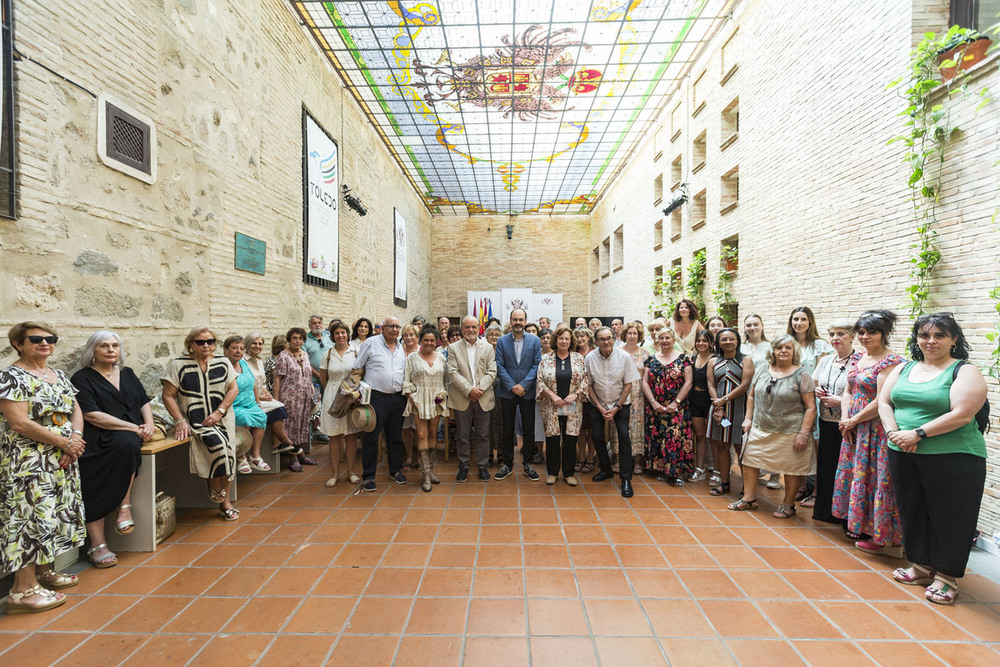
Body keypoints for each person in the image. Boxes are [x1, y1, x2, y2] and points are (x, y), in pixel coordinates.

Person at [879, 313, 988, 605]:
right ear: (916, 339)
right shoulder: (903, 368)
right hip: (903, 451)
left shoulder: (964, 371)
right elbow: (884, 402)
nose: (931, 341)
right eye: (924, 335)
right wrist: (894, 434)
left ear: (954, 339)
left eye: (940, 335)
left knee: (951, 516)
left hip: (954, 457)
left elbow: (962, 413)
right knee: (912, 509)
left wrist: (917, 434)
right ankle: (921, 565)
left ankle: (947, 576)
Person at [0, 323, 86, 614]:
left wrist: (75, 438)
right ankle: (22, 591)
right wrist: (65, 443)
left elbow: (74, 408)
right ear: (18, 344)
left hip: (60, 455)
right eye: (36, 339)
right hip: (28, 460)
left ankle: (44, 573)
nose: (45, 343)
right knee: (27, 518)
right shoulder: (11, 376)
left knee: (52, 513)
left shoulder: (57, 373)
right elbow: (19, 422)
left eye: (51, 339)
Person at [71, 331, 153, 569]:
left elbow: (143, 400)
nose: (110, 350)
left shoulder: (127, 373)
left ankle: (123, 506)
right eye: (103, 346)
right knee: (98, 474)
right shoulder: (82, 378)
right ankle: (99, 543)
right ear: (92, 351)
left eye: (114, 345)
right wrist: (134, 428)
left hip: (129, 436)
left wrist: (148, 424)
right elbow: (91, 415)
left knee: (128, 445)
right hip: (99, 437)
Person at [832, 310, 905, 555]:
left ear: (884, 334)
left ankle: (882, 536)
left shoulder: (892, 362)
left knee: (877, 480)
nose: (865, 337)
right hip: (853, 428)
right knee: (857, 475)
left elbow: (882, 400)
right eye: (861, 332)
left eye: (871, 332)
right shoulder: (857, 359)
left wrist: (853, 420)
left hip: (876, 431)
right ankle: (862, 526)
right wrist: (844, 420)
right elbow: (848, 392)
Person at [730, 335, 816, 518]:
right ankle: (749, 498)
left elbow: (810, 407)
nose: (783, 351)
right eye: (779, 348)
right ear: (773, 351)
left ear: (794, 352)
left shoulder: (802, 375)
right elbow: (751, 396)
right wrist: (748, 418)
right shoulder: (762, 370)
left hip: (790, 430)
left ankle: (788, 504)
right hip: (760, 427)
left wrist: (803, 433)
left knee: (792, 467)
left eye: (788, 348)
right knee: (750, 461)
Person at [162, 326, 240, 521]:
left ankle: (226, 501)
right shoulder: (178, 365)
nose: (206, 345)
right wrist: (179, 421)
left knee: (229, 452)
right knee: (217, 446)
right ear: (190, 344)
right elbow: (168, 396)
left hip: (222, 417)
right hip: (195, 420)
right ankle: (214, 483)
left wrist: (219, 411)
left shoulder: (223, 362)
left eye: (210, 341)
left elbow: (233, 389)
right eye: (200, 342)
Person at [352, 315, 408, 492]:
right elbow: (356, 368)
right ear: (382, 328)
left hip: (398, 398)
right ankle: (368, 476)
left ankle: (395, 471)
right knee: (371, 438)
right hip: (376, 398)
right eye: (390, 326)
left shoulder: (401, 347)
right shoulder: (371, 343)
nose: (394, 329)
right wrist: (356, 393)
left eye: (397, 327)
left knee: (395, 437)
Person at [587, 327, 640, 497]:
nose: (606, 342)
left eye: (609, 338)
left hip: (621, 403)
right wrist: (600, 407)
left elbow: (628, 384)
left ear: (614, 339)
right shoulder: (589, 358)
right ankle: (605, 469)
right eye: (601, 339)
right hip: (597, 403)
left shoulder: (624, 357)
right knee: (596, 435)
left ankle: (626, 478)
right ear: (596, 341)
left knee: (623, 436)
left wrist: (616, 407)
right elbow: (588, 385)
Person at [811, 319, 855, 523]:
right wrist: (818, 391)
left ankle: (845, 515)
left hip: (848, 423)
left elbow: (865, 394)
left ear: (852, 337)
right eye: (832, 334)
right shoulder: (825, 361)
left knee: (846, 468)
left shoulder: (859, 361)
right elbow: (815, 384)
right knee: (826, 466)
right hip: (826, 421)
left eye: (841, 334)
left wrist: (839, 401)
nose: (835, 338)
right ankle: (824, 510)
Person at [448, 316, 498, 482]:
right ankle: (463, 466)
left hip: (483, 397)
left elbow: (492, 371)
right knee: (462, 435)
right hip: (463, 397)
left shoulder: (488, 347)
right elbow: (453, 372)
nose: (470, 330)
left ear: (479, 329)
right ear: (462, 329)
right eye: (467, 327)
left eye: (474, 327)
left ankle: (482, 466)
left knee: (483, 435)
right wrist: (469, 390)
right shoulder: (453, 348)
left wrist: (479, 390)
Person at [494, 308, 542, 481]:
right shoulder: (502, 341)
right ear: (510, 320)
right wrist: (513, 386)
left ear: (525, 320)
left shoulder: (535, 341)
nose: (518, 323)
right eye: (515, 319)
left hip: (527, 392)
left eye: (521, 319)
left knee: (528, 430)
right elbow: (499, 365)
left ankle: (528, 463)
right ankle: (507, 464)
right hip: (507, 392)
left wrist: (523, 385)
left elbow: (537, 364)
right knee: (507, 430)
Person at [536, 325, 587, 486]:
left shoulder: (578, 358)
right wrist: (552, 396)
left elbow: (586, 379)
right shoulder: (546, 359)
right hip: (552, 405)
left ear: (571, 341)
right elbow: (539, 380)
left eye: (567, 338)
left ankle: (568, 473)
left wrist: (575, 394)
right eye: (561, 338)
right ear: (555, 340)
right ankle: (552, 472)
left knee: (570, 438)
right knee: (553, 438)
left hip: (571, 404)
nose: (564, 341)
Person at [642, 328, 694, 487]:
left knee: (675, 437)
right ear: (657, 340)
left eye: (667, 338)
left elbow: (688, 382)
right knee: (659, 437)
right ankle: (662, 470)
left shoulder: (684, 358)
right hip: (655, 407)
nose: (664, 340)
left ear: (673, 340)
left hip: (677, 407)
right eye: (661, 338)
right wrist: (653, 402)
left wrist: (675, 402)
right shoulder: (651, 359)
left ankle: (676, 472)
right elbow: (644, 382)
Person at [706, 328, 754, 496]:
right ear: (718, 342)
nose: (727, 342)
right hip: (719, 411)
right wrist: (718, 407)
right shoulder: (713, 361)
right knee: (722, 446)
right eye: (723, 339)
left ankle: (746, 488)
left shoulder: (746, 360)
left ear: (737, 340)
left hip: (739, 408)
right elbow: (711, 385)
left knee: (741, 448)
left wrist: (724, 400)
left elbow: (745, 385)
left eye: (731, 339)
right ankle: (724, 483)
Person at [403, 326, 448, 491]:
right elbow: (406, 381)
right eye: (426, 340)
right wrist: (411, 397)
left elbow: (445, 381)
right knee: (421, 435)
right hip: (418, 402)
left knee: (432, 434)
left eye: (432, 340)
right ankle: (425, 475)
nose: (429, 343)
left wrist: (441, 395)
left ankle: (431, 470)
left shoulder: (442, 358)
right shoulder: (412, 358)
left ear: (436, 342)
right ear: (420, 341)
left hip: (436, 401)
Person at [241, 333, 299, 457]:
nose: (257, 346)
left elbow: (262, 383)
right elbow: (245, 384)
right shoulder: (242, 361)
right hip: (249, 399)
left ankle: (277, 442)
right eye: (254, 343)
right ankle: (285, 441)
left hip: (261, 396)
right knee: (278, 408)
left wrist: (267, 393)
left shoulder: (259, 360)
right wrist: (260, 397)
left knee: (280, 405)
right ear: (247, 345)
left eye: (260, 344)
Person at [318, 322, 360, 487]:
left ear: (348, 334)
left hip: (351, 397)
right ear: (332, 336)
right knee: (334, 437)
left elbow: (360, 373)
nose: (340, 336)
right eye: (337, 333)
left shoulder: (356, 352)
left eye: (343, 333)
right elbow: (323, 377)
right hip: (333, 397)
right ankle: (334, 473)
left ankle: (351, 472)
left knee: (351, 436)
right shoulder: (327, 354)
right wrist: (333, 389)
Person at [274, 327, 319, 472]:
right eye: (294, 338)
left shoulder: (304, 355)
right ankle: (293, 457)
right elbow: (277, 379)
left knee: (302, 426)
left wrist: (312, 390)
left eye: (300, 338)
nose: (297, 341)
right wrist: (277, 400)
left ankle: (301, 454)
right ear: (289, 339)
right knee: (291, 426)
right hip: (289, 397)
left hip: (304, 397)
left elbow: (307, 374)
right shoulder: (283, 356)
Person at [222, 336, 268, 475]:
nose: (238, 351)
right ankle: (242, 457)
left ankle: (255, 455)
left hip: (250, 403)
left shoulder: (244, 363)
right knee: (244, 418)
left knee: (261, 417)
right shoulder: (223, 366)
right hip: (234, 405)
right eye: (234, 348)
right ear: (225, 350)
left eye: (241, 348)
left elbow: (253, 382)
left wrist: (257, 401)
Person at [620, 322, 650, 475]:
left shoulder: (645, 353)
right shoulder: (617, 351)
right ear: (624, 335)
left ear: (639, 336)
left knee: (638, 426)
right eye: (629, 333)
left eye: (635, 334)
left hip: (639, 395)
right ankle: (618, 458)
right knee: (620, 426)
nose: (632, 336)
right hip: (621, 393)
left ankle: (638, 460)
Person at [687, 330, 714, 482]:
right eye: (699, 341)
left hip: (709, 400)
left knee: (713, 438)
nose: (701, 343)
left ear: (710, 342)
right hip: (695, 400)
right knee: (700, 436)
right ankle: (700, 468)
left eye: (705, 341)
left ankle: (718, 470)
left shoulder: (715, 359)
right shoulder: (693, 358)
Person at [303, 315, 332, 444]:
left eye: (319, 323)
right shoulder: (305, 340)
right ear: (309, 326)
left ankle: (324, 430)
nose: (317, 325)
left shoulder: (327, 338)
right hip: (313, 379)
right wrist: (317, 373)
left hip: (328, 377)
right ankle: (313, 432)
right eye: (314, 323)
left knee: (327, 403)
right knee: (314, 404)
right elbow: (303, 360)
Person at [573, 327, 596, 472]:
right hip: (576, 397)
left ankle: (590, 458)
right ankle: (580, 456)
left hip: (593, 396)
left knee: (593, 429)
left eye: (583, 336)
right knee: (580, 429)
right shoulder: (573, 354)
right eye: (577, 337)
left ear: (588, 337)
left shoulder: (595, 353)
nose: (580, 339)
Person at [399, 324, 420, 470]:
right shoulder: (399, 351)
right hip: (401, 394)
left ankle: (419, 457)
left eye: (411, 335)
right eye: (405, 335)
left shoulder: (421, 350)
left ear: (417, 336)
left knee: (419, 427)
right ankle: (409, 456)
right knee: (405, 428)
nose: (408, 338)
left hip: (419, 394)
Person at [787, 306, 832, 375]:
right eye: (796, 319)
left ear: (810, 322)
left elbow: (819, 375)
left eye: (803, 319)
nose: (799, 323)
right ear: (791, 321)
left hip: (811, 385)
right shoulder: (785, 344)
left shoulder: (821, 345)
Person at [484, 323, 504, 465]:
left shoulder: (504, 350)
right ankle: (488, 453)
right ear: (486, 336)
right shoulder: (483, 350)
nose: (494, 337)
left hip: (502, 390)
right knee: (487, 423)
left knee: (503, 421)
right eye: (491, 334)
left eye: (497, 334)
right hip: (486, 389)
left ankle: (502, 454)